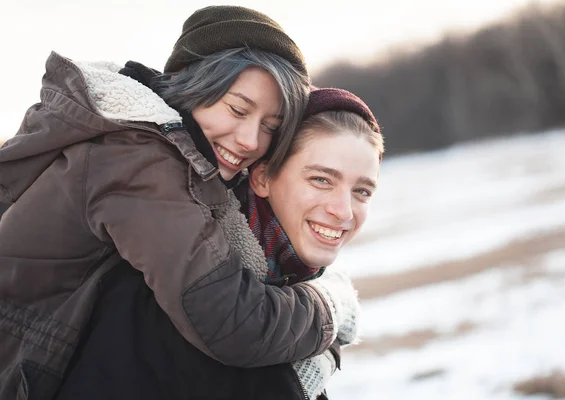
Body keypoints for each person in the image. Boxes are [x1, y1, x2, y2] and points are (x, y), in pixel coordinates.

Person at [0, 6, 358, 399]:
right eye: (238, 110)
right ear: (189, 84)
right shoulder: (135, 158)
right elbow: (234, 323)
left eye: (270, 127)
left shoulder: (186, 163)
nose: (250, 140)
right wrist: (328, 306)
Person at [54, 87, 384, 400]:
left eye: (361, 191)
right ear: (263, 177)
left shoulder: (289, 283)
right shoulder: (174, 285)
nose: (343, 211)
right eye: (320, 180)